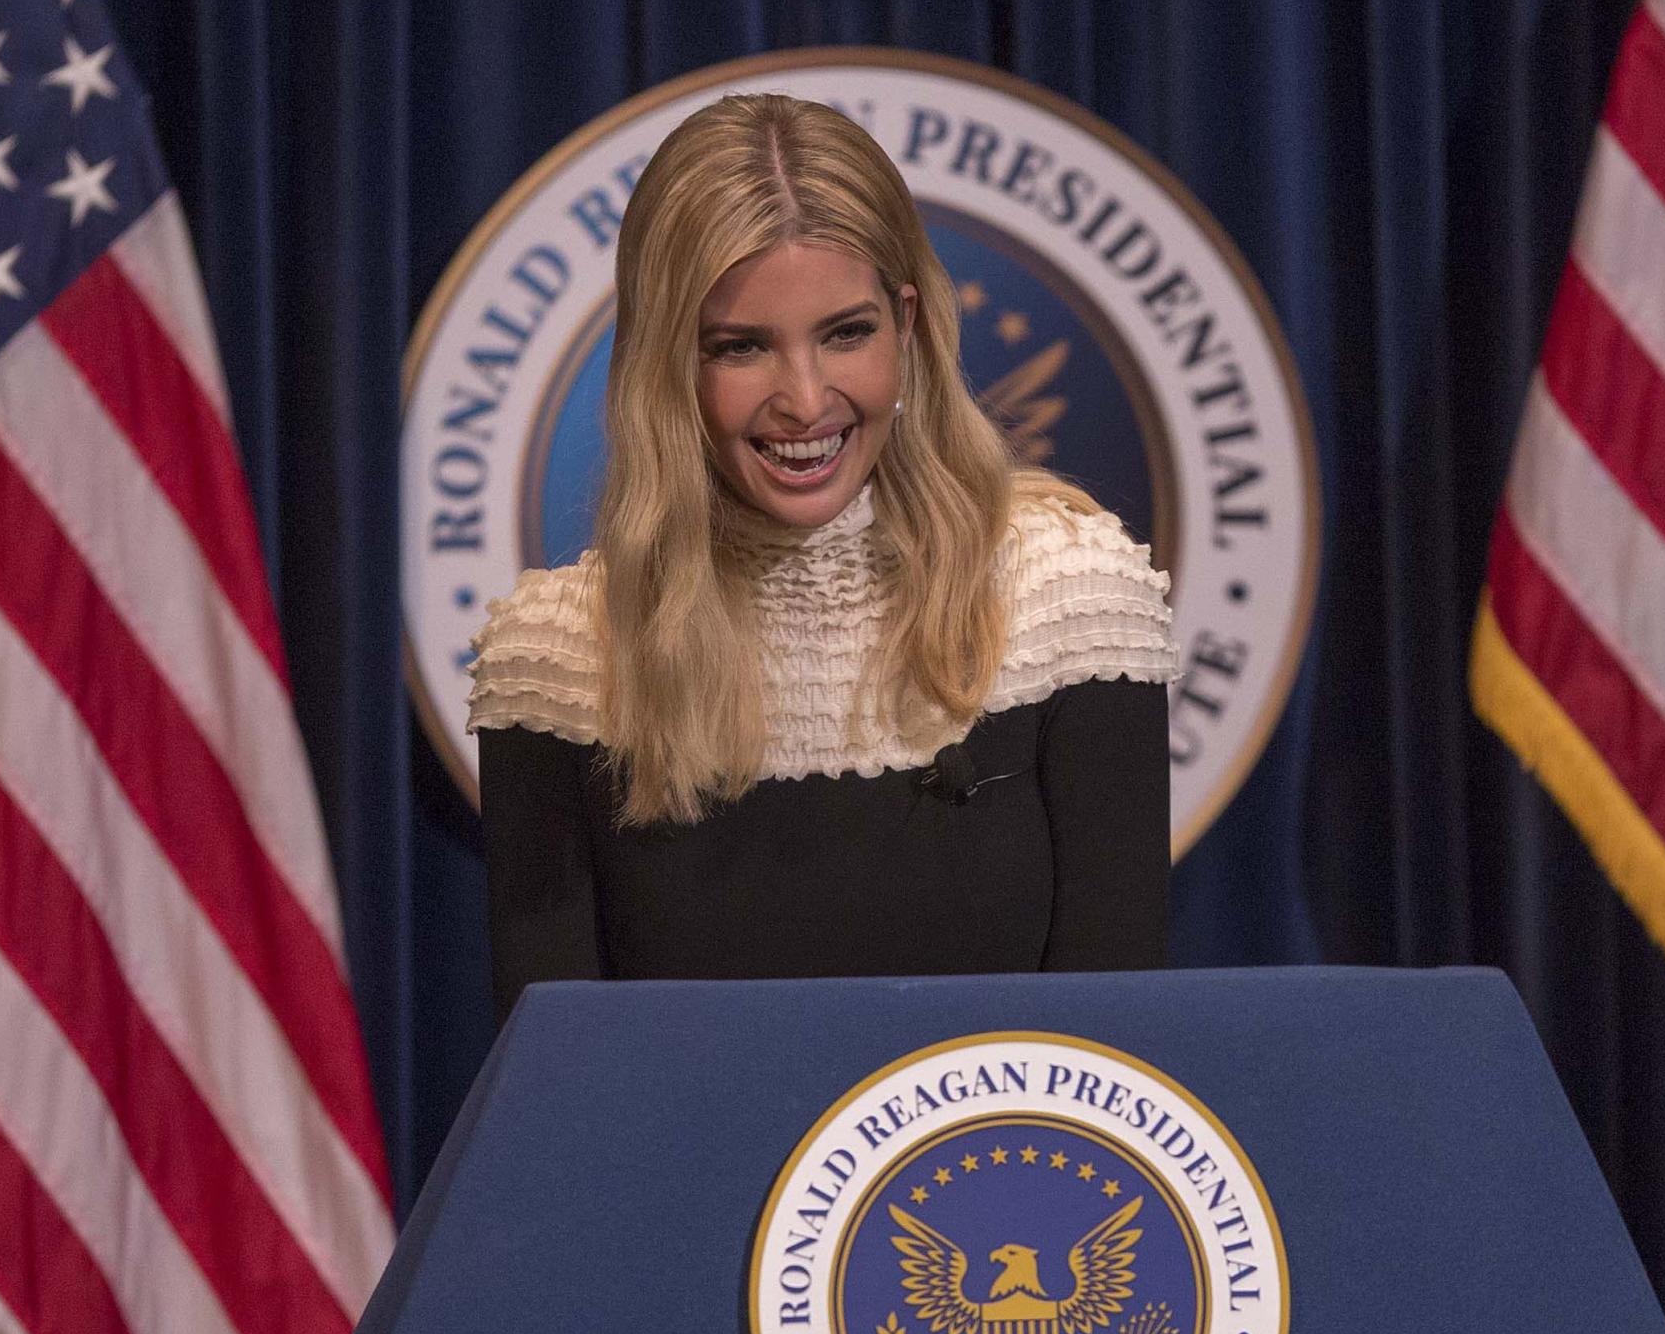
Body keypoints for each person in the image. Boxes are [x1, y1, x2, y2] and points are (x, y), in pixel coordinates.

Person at [466, 93, 1174, 1023]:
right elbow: (561, 1092)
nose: (804, 401)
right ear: (666, 367)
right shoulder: (558, 653)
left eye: (847, 333)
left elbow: (1112, 1057)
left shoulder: (1072, 595)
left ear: (907, 326)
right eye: (741, 347)